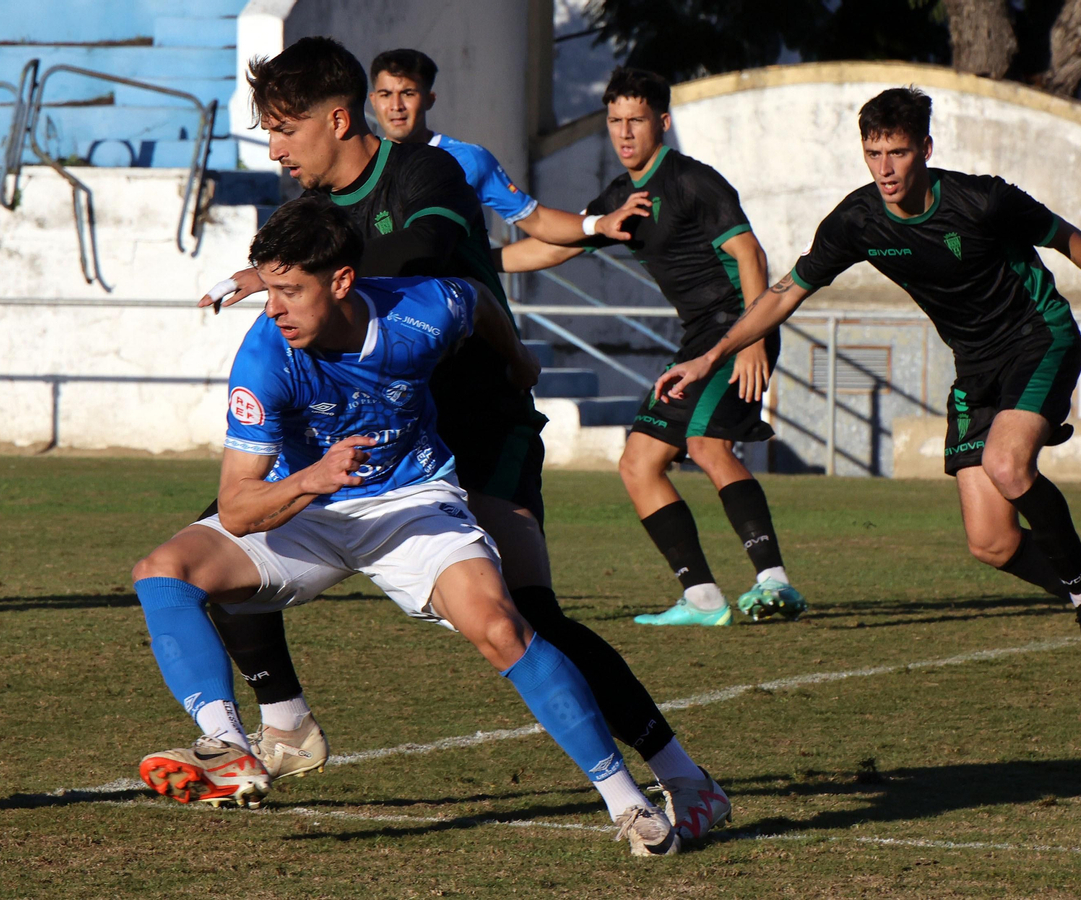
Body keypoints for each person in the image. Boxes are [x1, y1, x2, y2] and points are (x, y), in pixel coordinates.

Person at [197, 37, 731, 841]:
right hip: (390, 433)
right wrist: (281, 272)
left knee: (529, 618)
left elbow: (420, 261)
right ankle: (287, 724)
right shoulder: (309, 221)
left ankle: (684, 776)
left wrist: (295, 270)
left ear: (337, 119)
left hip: (482, 420)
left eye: (283, 129)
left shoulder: (427, 175)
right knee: (224, 537)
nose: (273, 149)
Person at [132, 196, 697, 857]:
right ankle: (228, 745)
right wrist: (311, 480)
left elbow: (477, 301)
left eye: (289, 290)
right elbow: (235, 507)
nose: (274, 308)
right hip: (308, 511)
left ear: (342, 281)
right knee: (161, 571)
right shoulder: (266, 356)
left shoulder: (422, 310)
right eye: (269, 289)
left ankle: (627, 805)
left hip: (411, 503)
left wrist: (515, 359)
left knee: (500, 625)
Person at [654, 87, 1081, 685]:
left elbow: (1066, 237)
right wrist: (713, 353)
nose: (884, 168)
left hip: (1038, 339)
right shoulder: (857, 220)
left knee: (1007, 464)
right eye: (873, 154)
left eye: (896, 152)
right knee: (992, 543)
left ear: (924, 147)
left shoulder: (982, 198)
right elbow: (785, 291)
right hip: (974, 367)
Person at [493, 66, 805, 627]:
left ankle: (774, 583)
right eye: (614, 120)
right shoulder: (621, 197)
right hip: (698, 336)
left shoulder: (691, 180)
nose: (623, 132)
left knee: (708, 445)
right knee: (639, 463)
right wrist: (478, 261)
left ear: (661, 121)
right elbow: (550, 250)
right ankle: (705, 600)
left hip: (736, 326)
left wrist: (754, 339)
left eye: (635, 119)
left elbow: (751, 255)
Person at [368, 48, 640, 246]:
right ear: (372, 100)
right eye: (385, 94)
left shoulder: (469, 159)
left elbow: (538, 221)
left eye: (407, 93)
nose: (395, 106)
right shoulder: (358, 159)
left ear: (429, 99)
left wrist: (598, 223)